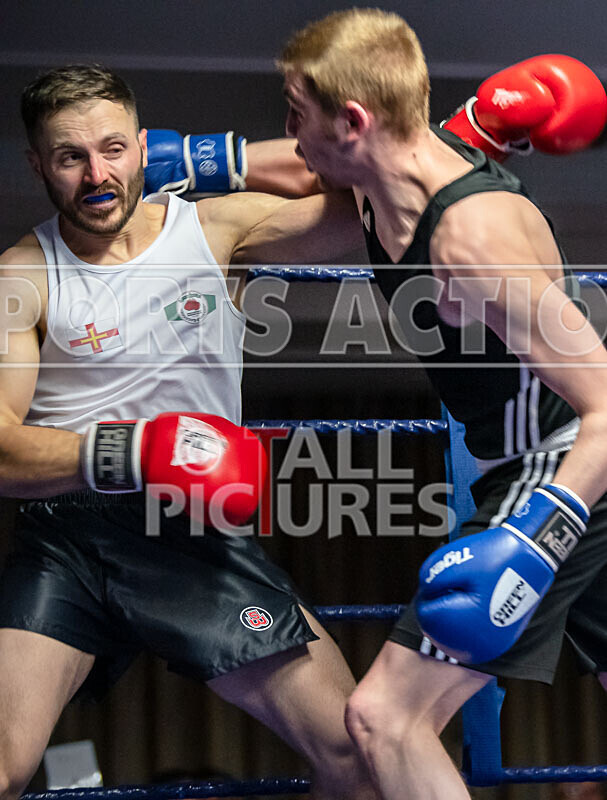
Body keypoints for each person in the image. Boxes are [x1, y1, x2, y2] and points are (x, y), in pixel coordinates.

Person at [0, 64, 376, 800]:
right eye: (70, 156)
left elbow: (367, 198)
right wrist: (141, 449)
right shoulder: (21, 274)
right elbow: (3, 451)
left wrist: (221, 158)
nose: (96, 175)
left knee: (354, 753)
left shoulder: (214, 226)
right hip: (68, 535)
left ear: (145, 148)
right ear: (37, 164)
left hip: (194, 533)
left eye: (113, 149)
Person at [276, 8, 607, 800]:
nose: (289, 138)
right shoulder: (376, 177)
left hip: (564, 467)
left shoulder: (471, 238)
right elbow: (282, 172)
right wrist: (183, 161)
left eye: (297, 117)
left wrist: (533, 535)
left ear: (353, 123)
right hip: (533, 467)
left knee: (383, 718)